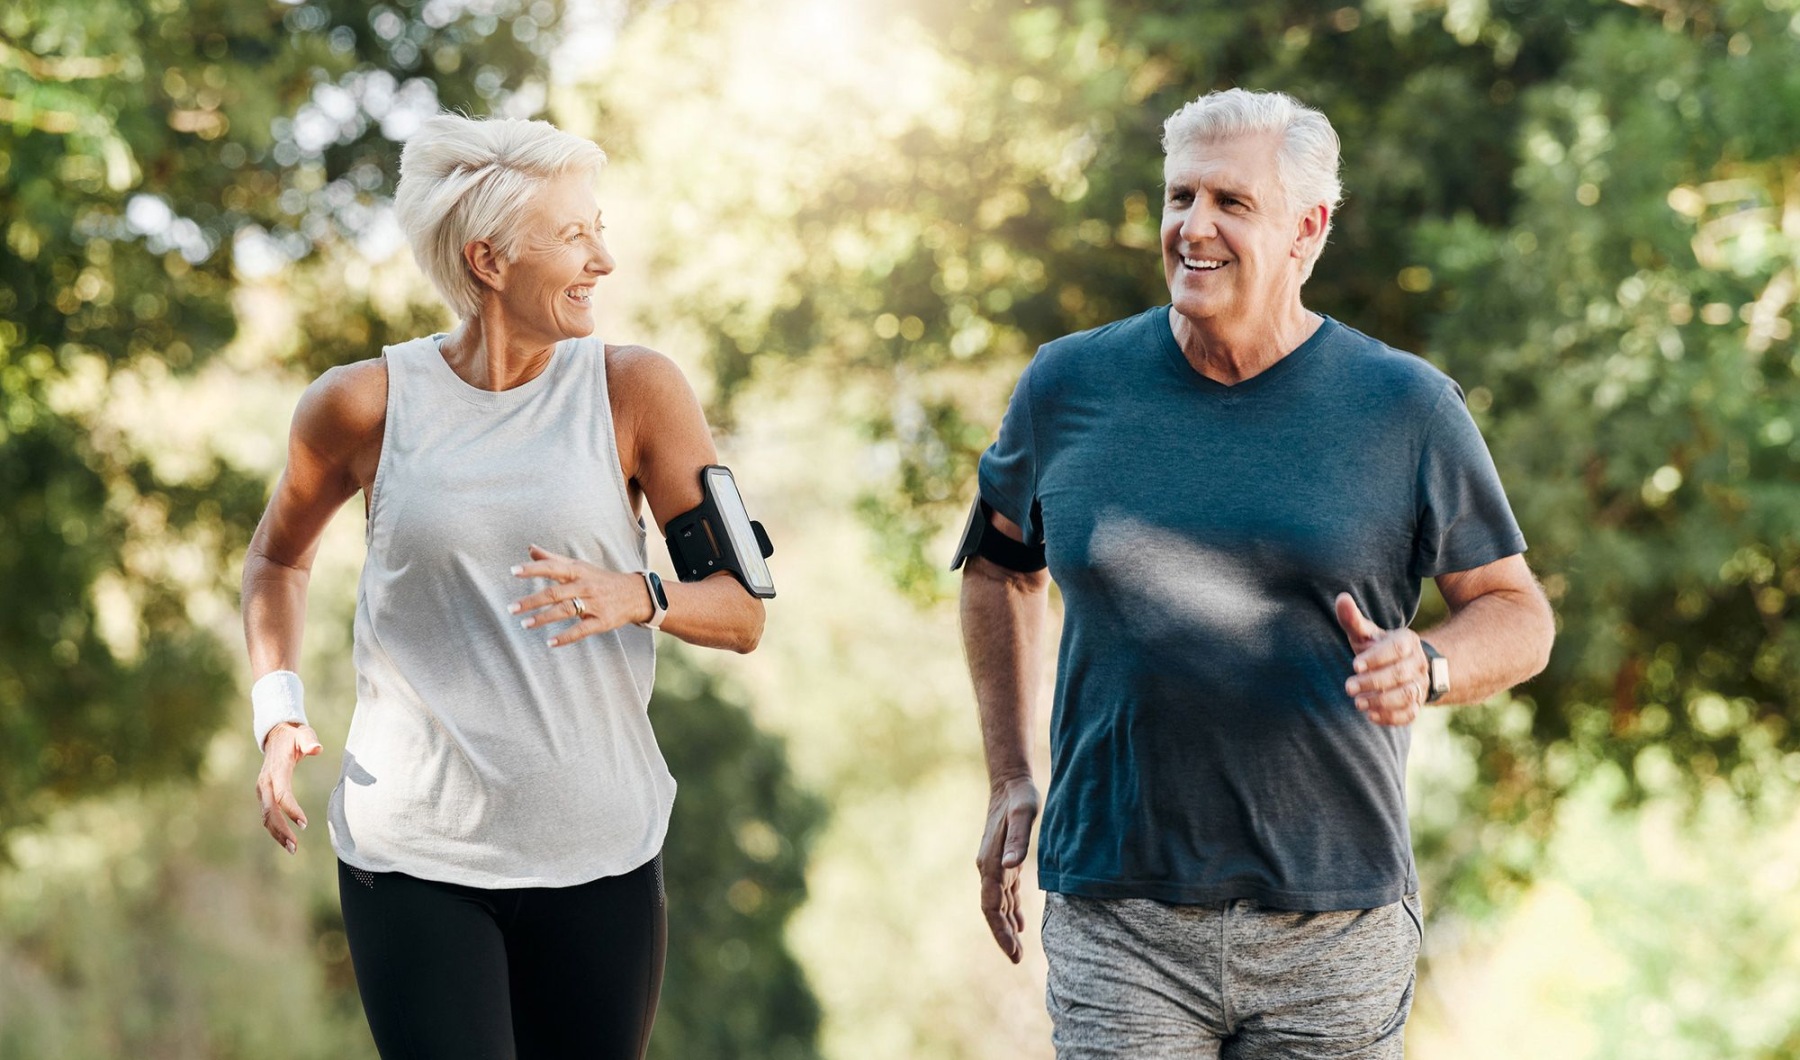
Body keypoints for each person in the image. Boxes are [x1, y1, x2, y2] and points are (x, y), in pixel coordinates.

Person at [956, 88, 1555, 1058]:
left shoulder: (1404, 407)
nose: (1193, 226)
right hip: (1120, 914)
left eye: (1231, 202)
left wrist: (1429, 666)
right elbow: (998, 569)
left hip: (1333, 921)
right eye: (1179, 196)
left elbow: (1516, 611)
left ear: (1307, 229)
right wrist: (1011, 776)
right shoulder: (1068, 386)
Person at [240, 113, 767, 1060]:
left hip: (602, 855)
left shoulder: (636, 391)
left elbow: (741, 611)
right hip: (413, 856)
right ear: (488, 260)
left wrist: (639, 593)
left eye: (599, 227)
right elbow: (276, 561)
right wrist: (276, 712)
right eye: (573, 235)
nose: (603, 257)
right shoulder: (362, 404)